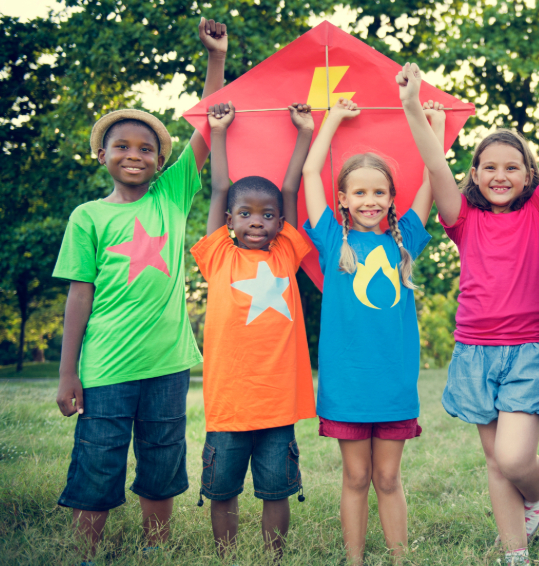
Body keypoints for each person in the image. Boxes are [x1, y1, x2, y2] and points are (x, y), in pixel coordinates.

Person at [52, 18, 227, 564]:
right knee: (98, 459)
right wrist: (68, 372)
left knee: (162, 458)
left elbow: (206, 128)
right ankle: (86, 551)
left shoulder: (171, 196)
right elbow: (78, 296)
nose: (135, 154)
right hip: (105, 366)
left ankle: (156, 549)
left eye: (147, 148)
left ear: (160, 160)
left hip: (167, 363)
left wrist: (216, 59)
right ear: (102, 155)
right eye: (122, 146)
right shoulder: (88, 216)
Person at [430, 48, 539, 566]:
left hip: (531, 350)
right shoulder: (462, 219)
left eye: (512, 167)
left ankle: (538, 495)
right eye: (490, 167)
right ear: (475, 174)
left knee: (514, 457)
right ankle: (515, 553)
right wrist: (415, 110)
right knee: (494, 460)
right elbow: (434, 166)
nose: (500, 175)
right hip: (475, 352)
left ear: (527, 175)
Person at [301, 90, 445, 564]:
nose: (370, 201)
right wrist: (332, 119)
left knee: (387, 478)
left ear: (390, 199)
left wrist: (436, 129)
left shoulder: (404, 242)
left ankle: (399, 559)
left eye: (379, 192)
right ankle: (356, 560)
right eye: (359, 193)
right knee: (356, 477)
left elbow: (432, 181)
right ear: (342, 199)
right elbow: (310, 173)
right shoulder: (330, 240)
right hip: (347, 385)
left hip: (393, 384)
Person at [189, 101, 315, 560]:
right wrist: (219, 131)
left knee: (276, 491)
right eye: (245, 214)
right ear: (229, 221)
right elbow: (220, 187)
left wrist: (305, 133)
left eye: (267, 215)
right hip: (228, 405)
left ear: (280, 223)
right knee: (222, 491)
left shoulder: (286, 252)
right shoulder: (218, 255)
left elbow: (289, 186)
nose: (257, 221)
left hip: (277, 404)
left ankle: (273, 557)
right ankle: (226, 557)